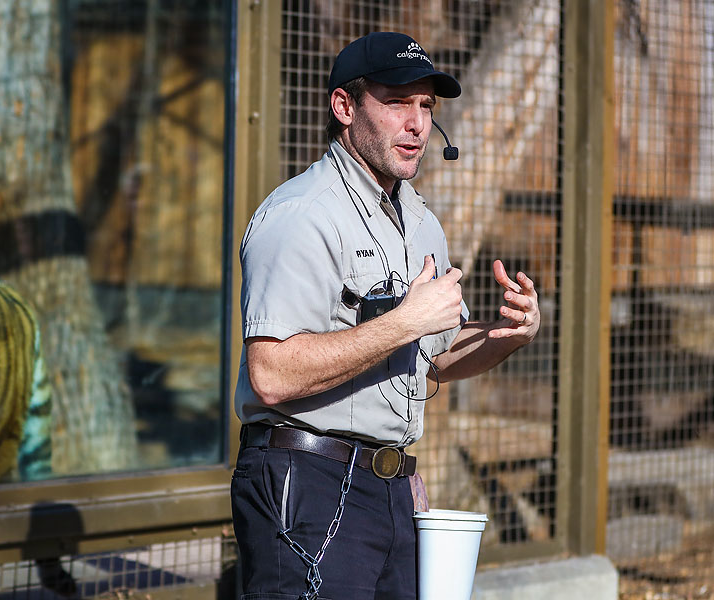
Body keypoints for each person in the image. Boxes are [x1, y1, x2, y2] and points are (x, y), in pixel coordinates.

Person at [231, 32, 540, 600]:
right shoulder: (302, 216)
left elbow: (436, 358)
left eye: (426, 106)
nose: (417, 124)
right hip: (307, 483)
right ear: (345, 108)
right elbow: (271, 375)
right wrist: (406, 320)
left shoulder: (421, 221)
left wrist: (504, 334)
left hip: (394, 489)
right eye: (397, 102)